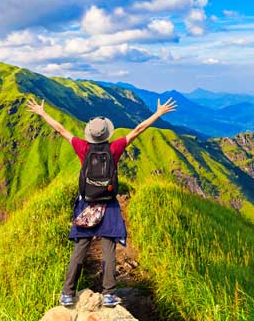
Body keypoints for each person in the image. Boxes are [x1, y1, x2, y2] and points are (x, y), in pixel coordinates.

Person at [25, 96, 178, 307]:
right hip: (109, 205)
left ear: (90, 134)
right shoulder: (114, 149)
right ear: (107, 134)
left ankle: (68, 293)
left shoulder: (82, 148)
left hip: (86, 204)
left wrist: (42, 113)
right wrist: (158, 114)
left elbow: (61, 129)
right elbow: (137, 130)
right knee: (108, 250)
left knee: (80, 248)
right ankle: (108, 294)